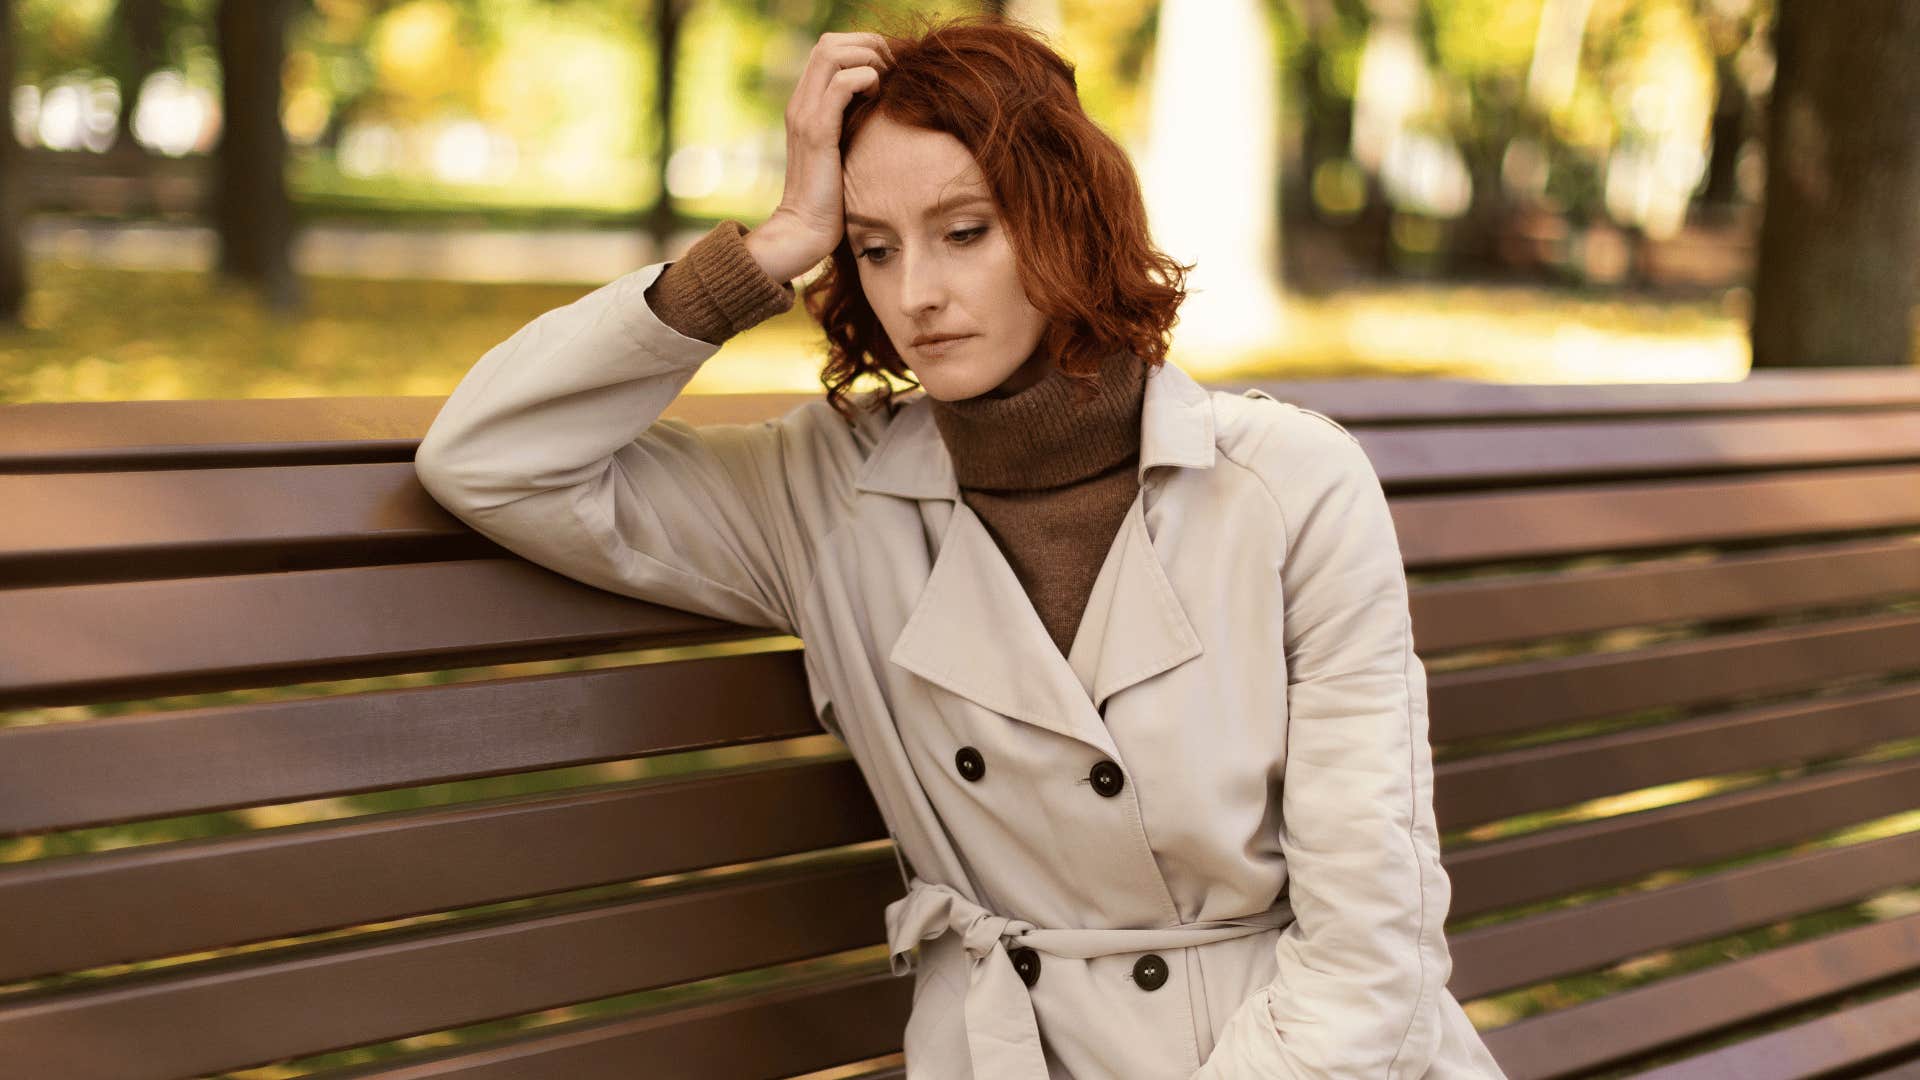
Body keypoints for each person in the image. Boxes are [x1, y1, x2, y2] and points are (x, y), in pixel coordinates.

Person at [413, 13, 1509, 1080]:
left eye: (964, 233)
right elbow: (488, 458)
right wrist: (776, 244)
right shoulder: (824, 495)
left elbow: (1373, 943)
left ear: (1068, 221)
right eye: (874, 249)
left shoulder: (1287, 485)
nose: (915, 296)